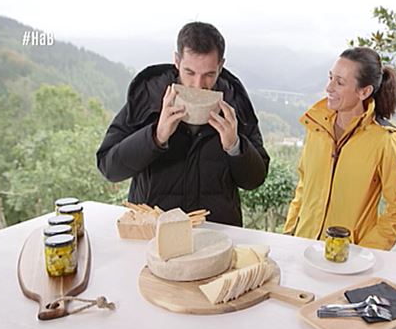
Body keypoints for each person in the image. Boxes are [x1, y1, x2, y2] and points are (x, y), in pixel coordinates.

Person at [96, 22, 269, 226]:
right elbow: (109, 168)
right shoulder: (148, 96)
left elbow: (255, 180)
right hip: (154, 232)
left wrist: (235, 147)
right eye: (190, 72)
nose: (198, 85)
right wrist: (155, 137)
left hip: (215, 233)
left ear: (220, 66)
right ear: (177, 61)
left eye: (209, 75)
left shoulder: (235, 102)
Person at [283, 47, 396, 250]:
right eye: (330, 77)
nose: (329, 87)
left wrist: (365, 251)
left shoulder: (385, 141)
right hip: (302, 249)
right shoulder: (316, 128)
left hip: (348, 260)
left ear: (364, 91)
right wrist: (290, 232)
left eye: (340, 82)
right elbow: (303, 187)